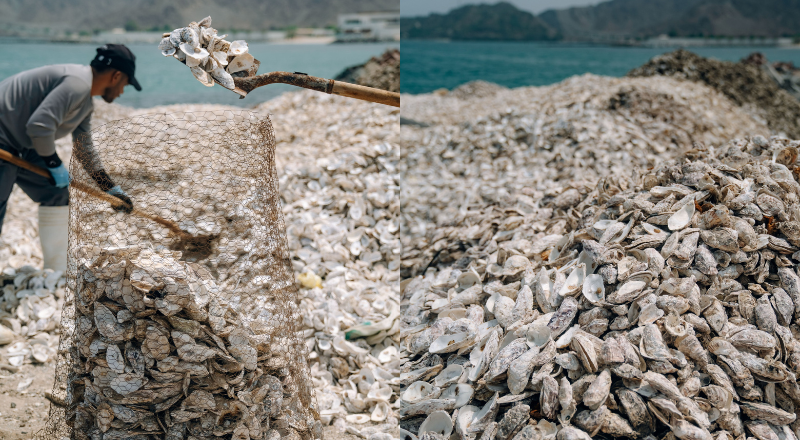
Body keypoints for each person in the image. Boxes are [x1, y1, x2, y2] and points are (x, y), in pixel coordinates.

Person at [0, 44, 141, 271]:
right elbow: (39, 126)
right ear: (116, 76)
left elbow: (83, 147)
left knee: (56, 194)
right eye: (125, 84)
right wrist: (54, 165)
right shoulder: (76, 83)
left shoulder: (84, 100)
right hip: (3, 140)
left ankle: (56, 271)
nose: (122, 91)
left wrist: (109, 187)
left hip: (22, 144)